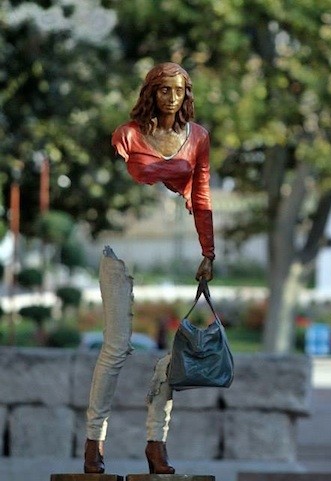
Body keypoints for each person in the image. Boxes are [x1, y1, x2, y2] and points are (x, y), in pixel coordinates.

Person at [84, 62, 215, 475]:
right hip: (123, 248)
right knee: (116, 346)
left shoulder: (198, 138)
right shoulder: (127, 135)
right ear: (151, 93)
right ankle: (93, 441)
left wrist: (208, 251)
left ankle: (156, 443)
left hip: (175, 251)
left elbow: (202, 194)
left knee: (171, 353)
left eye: (178, 90)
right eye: (163, 90)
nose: (171, 98)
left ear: (186, 94)